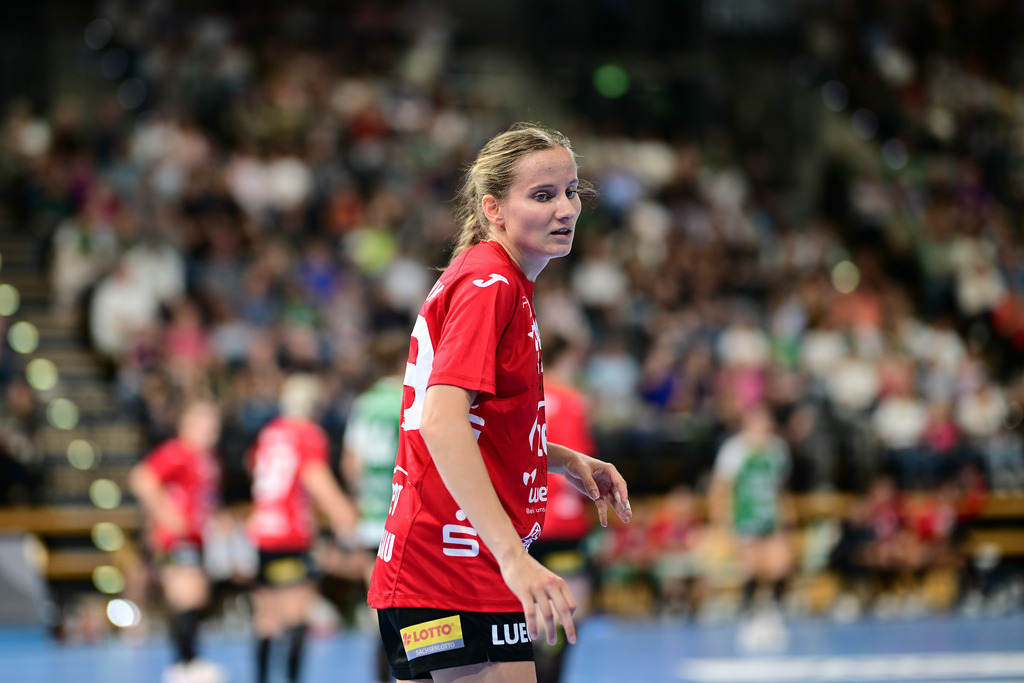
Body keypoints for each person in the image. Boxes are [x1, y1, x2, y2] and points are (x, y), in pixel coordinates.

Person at [367, 122, 633, 683]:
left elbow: (477, 422)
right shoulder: (490, 283)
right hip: (450, 565)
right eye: (542, 195)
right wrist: (514, 557)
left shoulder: (495, 279)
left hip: (457, 561)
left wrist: (560, 458)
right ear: (493, 208)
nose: (565, 209)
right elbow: (440, 421)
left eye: (571, 191)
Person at [247, 373, 358, 683]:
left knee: (267, 617)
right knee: (297, 614)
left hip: (264, 529)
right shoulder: (307, 433)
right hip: (290, 535)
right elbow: (315, 477)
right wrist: (345, 514)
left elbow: (255, 467)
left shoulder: (271, 431)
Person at [128, 398, 225, 683]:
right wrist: (166, 515)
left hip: (196, 538)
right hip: (176, 539)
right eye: (206, 422)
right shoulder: (178, 452)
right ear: (188, 423)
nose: (212, 429)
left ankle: (189, 660)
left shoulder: (208, 460)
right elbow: (142, 478)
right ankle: (184, 665)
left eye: (214, 424)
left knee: (196, 596)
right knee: (186, 595)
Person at [528, 334, 599, 683]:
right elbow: (582, 463)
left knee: (523, 619)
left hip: (523, 523)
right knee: (565, 618)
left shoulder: (519, 397)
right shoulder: (572, 402)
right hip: (564, 526)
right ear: (565, 358)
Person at [340, 333, 407, 682]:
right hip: (403, 515)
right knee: (411, 606)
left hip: (371, 520)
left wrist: (361, 498)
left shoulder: (364, 403)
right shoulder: (410, 396)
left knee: (381, 608)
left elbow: (350, 462)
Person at [708, 405, 795, 652]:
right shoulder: (734, 450)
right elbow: (720, 486)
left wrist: (789, 516)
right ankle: (747, 617)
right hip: (745, 516)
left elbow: (780, 487)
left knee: (782, 566)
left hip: (769, 515)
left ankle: (774, 610)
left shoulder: (777, 449)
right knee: (752, 568)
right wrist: (720, 519)